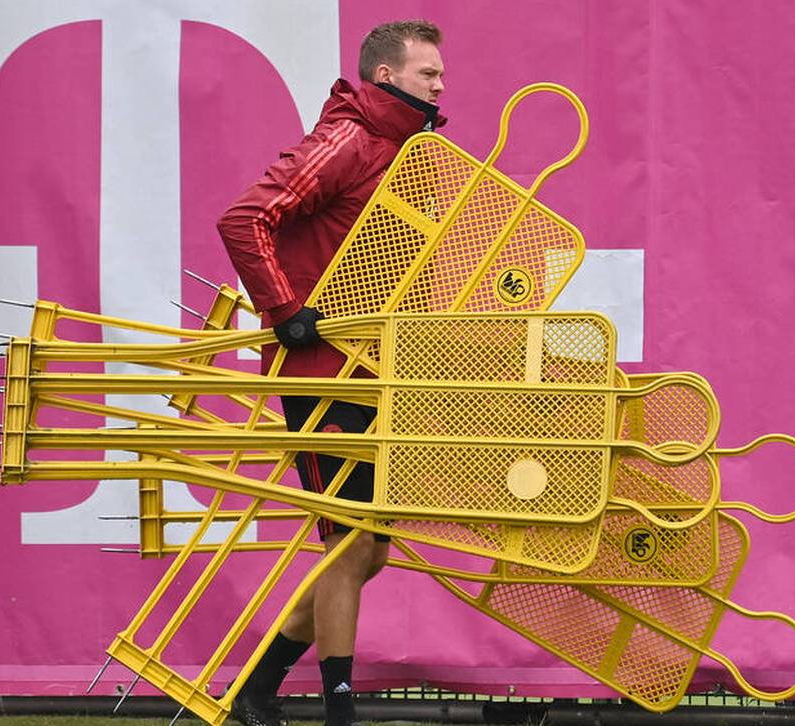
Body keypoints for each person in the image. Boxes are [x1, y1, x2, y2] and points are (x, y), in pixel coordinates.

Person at [215, 19, 446, 726]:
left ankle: (258, 685)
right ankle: (339, 710)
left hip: (375, 370)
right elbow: (244, 219)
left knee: (371, 549)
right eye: (426, 74)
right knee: (348, 541)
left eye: (439, 74)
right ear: (385, 77)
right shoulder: (348, 140)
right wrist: (286, 311)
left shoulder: (410, 151)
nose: (440, 84)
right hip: (324, 371)